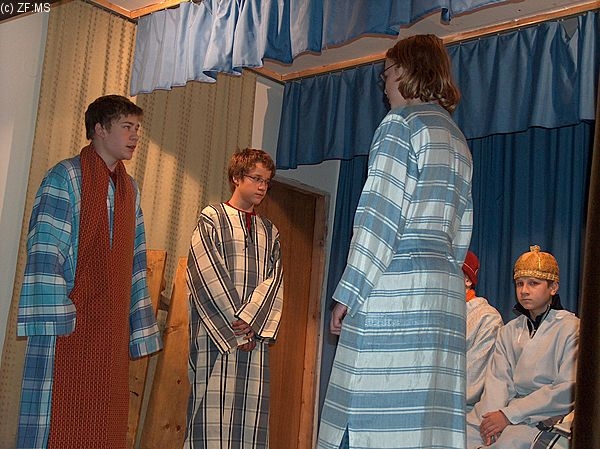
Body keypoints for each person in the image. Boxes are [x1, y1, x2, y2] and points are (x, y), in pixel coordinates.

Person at [317, 34, 473, 449]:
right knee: (423, 420)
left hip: (396, 286)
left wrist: (349, 291)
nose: (384, 86)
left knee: (371, 409)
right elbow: (462, 231)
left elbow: (379, 216)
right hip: (443, 293)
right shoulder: (456, 138)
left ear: (404, 71)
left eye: (385, 74)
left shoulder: (400, 124)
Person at [16, 95, 163, 449]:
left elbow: (136, 262)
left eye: (137, 128)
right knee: (57, 422)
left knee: (105, 426)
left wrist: (137, 325)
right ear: (100, 129)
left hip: (109, 332)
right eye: (126, 126)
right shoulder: (66, 176)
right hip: (69, 326)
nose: (135, 135)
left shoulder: (129, 189)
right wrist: (63, 315)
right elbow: (45, 250)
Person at [184, 148, 284, 449]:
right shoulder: (212, 218)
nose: (262, 187)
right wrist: (237, 326)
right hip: (218, 336)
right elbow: (205, 272)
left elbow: (275, 281)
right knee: (210, 414)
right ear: (237, 178)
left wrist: (251, 323)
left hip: (254, 337)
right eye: (256, 178)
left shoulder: (270, 231)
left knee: (250, 419)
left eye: (267, 181)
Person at [466, 245, 579, 449]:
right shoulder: (509, 330)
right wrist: (491, 421)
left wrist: (509, 415)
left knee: (510, 442)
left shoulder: (571, 328)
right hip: (504, 412)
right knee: (459, 436)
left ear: (553, 287)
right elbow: (498, 381)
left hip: (543, 416)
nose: (524, 291)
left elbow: (566, 389)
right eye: (520, 284)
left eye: (533, 283)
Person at [463, 250, 503, 411]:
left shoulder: (487, 318)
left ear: (467, 280)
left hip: (466, 411)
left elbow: (472, 385)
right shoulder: (436, 315)